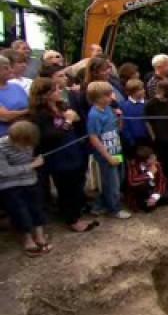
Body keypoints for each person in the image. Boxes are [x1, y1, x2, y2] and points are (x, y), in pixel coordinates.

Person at [29, 77, 98, 232]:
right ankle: (72, 220)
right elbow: (48, 136)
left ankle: (74, 213)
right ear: (45, 94)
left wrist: (74, 119)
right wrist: (68, 121)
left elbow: (77, 122)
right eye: (56, 89)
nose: (60, 91)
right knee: (66, 188)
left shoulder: (61, 106)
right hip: (59, 157)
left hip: (73, 151)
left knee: (77, 185)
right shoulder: (40, 115)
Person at [0, 121, 52, 256]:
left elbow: (27, 160)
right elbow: (4, 172)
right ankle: (28, 239)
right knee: (20, 212)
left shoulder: (28, 142)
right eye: (25, 144)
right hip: (11, 186)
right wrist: (32, 165)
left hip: (31, 181)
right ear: (17, 139)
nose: (27, 147)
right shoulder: (1, 147)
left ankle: (40, 236)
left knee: (37, 207)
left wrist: (34, 160)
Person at [86, 81, 131, 219]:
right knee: (111, 182)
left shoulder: (108, 110)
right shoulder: (94, 115)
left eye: (110, 94)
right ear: (96, 98)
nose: (111, 97)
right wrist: (107, 157)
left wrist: (120, 117)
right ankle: (114, 209)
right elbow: (93, 138)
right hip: (106, 154)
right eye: (106, 95)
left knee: (119, 177)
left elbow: (118, 129)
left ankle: (103, 204)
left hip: (116, 149)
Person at [126, 146, 168, 212]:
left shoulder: (156, 164)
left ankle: (152, 201)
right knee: (147, 206)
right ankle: (146, 202)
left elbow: (162, 181)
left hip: (153, 190)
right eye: (151, 158)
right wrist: (149, 174)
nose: (154, 158)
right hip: (141, 192)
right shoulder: (134, 166)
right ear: (144, 161)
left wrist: (155, 197)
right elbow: (132, 181)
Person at [0, 55, 29, 137]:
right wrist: (27, 111)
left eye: (10, 67)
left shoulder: (17, 86)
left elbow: (31, 105)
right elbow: (5, 117)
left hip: (25, 136)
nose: (10, 70)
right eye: (6, 68)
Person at [121, 79, 151, 156]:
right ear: (132, 92)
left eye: (143, 88)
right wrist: (131, 141)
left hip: (148, 139)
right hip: (133, 140)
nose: (144, 91)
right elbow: (124, 126)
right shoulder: (125, 106)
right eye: (140, 89)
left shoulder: (148, 104)